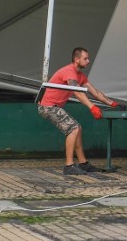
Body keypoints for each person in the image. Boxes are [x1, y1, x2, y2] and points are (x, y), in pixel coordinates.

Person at [38, 47, 119, 175]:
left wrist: (112, 103)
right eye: (85, 58)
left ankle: (83, 163)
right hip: (47, 106)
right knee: (73, 129)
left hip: (55, 107)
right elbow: (77, 92)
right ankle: (69, 166)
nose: (88, 61)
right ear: (77, 59)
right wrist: (92, 107)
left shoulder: (80, 75)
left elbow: (95, 92)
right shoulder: (70, 72)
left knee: (78, 129)